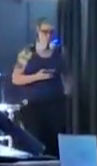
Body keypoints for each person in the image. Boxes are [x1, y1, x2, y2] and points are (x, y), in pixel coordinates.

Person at [11, 18, 68, 153]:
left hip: (55, 105)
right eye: (45, 32)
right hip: (34, 106)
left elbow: (66, 74)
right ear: (38, 32)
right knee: (36, 142)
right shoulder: (27, 53)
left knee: (55, 145)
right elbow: (16, 78)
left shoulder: (59, 53)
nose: (48, 36)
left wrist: (67, 90)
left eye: (51, 32)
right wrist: (37, 76)